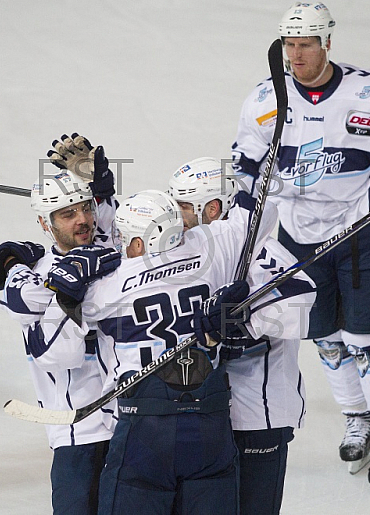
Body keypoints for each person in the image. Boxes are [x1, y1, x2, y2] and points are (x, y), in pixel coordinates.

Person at [231, 2, 370, 497]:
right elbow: (246, 177)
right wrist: (235, 242)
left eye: (306, 44)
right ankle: (360, 420)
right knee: (327, 340)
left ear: (327, 42)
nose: (296, 55)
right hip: (296, 236)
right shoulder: (263, 102)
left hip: (361, 228)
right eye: (289, 45)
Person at [45, 189, 279, 514]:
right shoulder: (212, 249)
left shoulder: (107, 284)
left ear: (138, 244)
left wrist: (64, 292)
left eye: (124, 239)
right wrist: (237, 188)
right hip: (211, 422)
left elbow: (53, 352)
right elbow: (261, 214)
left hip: (144, 429)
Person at [167, 157, 316, 515]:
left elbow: (300, 296)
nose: (175, 217)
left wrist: (241, 328)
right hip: (211, 412)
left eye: (183, 207)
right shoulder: (188, 249)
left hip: (257, 415)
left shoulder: (255, 247)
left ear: (213, 209)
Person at [0, 134, 121, 515]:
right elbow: (23, 301)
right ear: (45, 223)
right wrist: (17, 264)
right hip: (78, 432)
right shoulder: (37, 273)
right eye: (67, 214)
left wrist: (104, 194)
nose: (82, 220)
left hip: (130, 424)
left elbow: (129, 234)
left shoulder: (112, 253)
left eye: (85, 208)